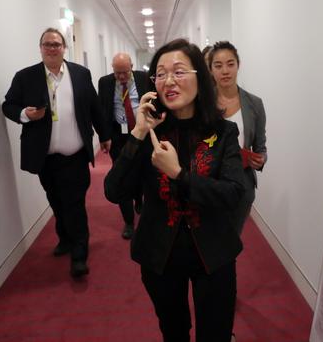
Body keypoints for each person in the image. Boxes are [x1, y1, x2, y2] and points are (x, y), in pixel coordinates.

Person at [104, 38, 245, 341]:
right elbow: (113, 191)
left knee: (216, 334)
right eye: (161, 73)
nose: (169, 80)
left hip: (214, 252)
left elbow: (233, 194)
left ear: (199, 78)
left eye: (179, 71)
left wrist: (179, 174)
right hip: (160, 254)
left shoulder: (222, 132)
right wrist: (139, 132)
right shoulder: (149, 132)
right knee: (173, 331)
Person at [2, 28, 110, 278]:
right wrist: (24, 115)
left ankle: (79, 255)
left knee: (75, 203)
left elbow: (94, 106)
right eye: (47, 44)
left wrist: (105, 135)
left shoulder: (81, 74)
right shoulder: (25, 77)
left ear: (64, 47)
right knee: (56, 200)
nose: (52, 48)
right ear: (40, 48)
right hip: (45, 157)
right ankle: (65, 238)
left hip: (75, 155)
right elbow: (8, 105)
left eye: (56, 44)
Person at [209, 41, 267, 234]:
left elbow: (260, 146)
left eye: (230, 64)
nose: (225, 71)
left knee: (232, 238)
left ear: (238, 65)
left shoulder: (255, 104)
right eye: (218, 65)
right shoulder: (202, 104)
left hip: (241, 183)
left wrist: (260, 159)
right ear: (211, 69)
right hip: (209, 182)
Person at [98, 52, 148, 239]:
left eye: (124, 72)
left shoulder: (144, 78)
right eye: (116, 72)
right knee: (121, 175)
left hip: (142, 135)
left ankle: (139, 198)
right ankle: (128, 222)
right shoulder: (105, 82)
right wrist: (104, 136)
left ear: (132, 67)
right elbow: (102, 109)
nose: (120, 77)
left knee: (142, 171)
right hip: (118, 137)